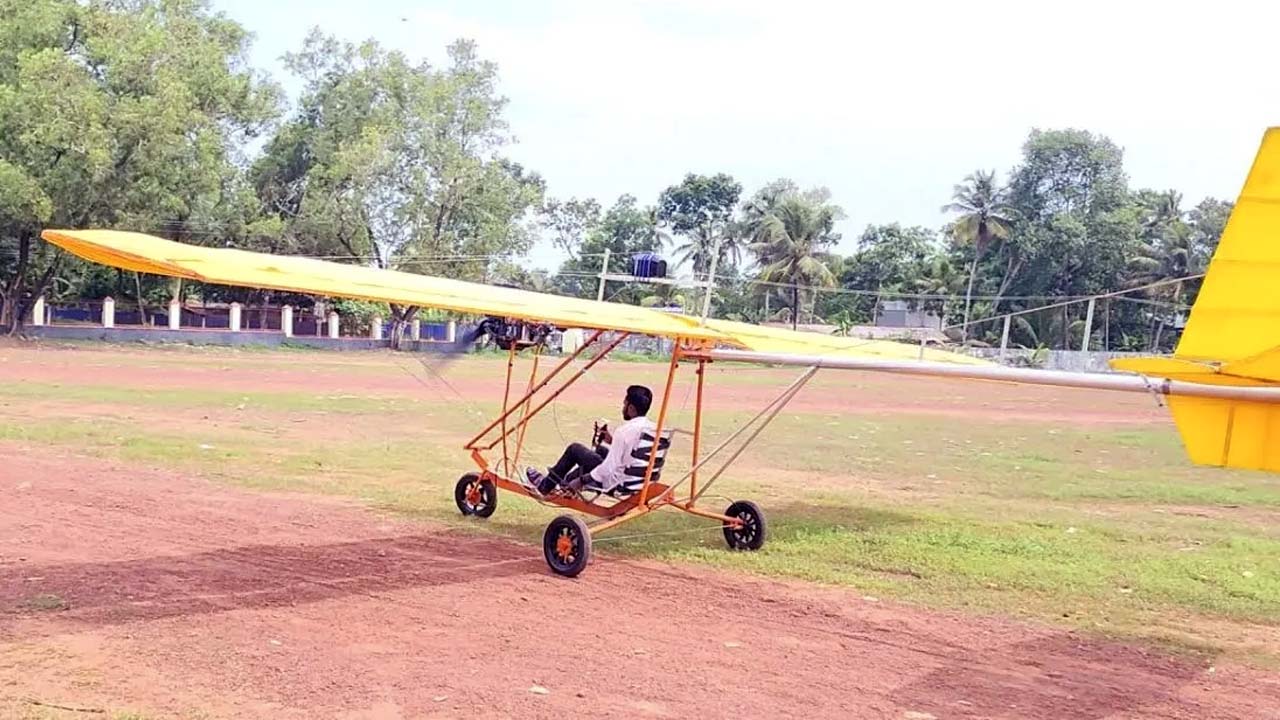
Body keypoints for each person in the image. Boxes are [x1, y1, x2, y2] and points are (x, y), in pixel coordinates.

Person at [525, 385, 655, 496]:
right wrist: (611, 440)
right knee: (600, 451)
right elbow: (634, 450)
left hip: (617, 484)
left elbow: (607, 468)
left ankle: (545, 486)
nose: (623, 407)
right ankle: (563, 483)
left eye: (624, 404)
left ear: (631, 408)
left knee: (575, 449)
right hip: (638, 483)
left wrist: (581, 481)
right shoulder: (653, 429)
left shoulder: (624, 431)